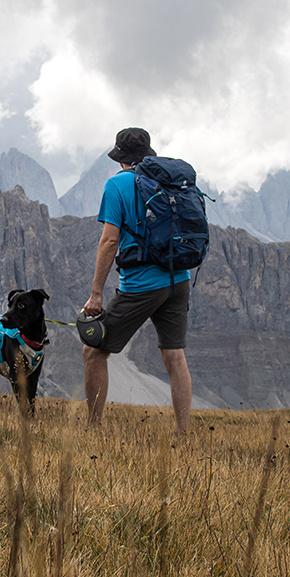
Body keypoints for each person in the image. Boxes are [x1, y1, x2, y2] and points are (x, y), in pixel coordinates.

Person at [82, 127, 193, 433]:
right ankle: (182, 434)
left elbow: (109, 241)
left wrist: (96, 295)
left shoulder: (117, 185)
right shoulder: (168, 179)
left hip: (142, 283)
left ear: (121, 159)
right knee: (174, 354)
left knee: (93, 350)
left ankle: (93, 429)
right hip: (178, 278)